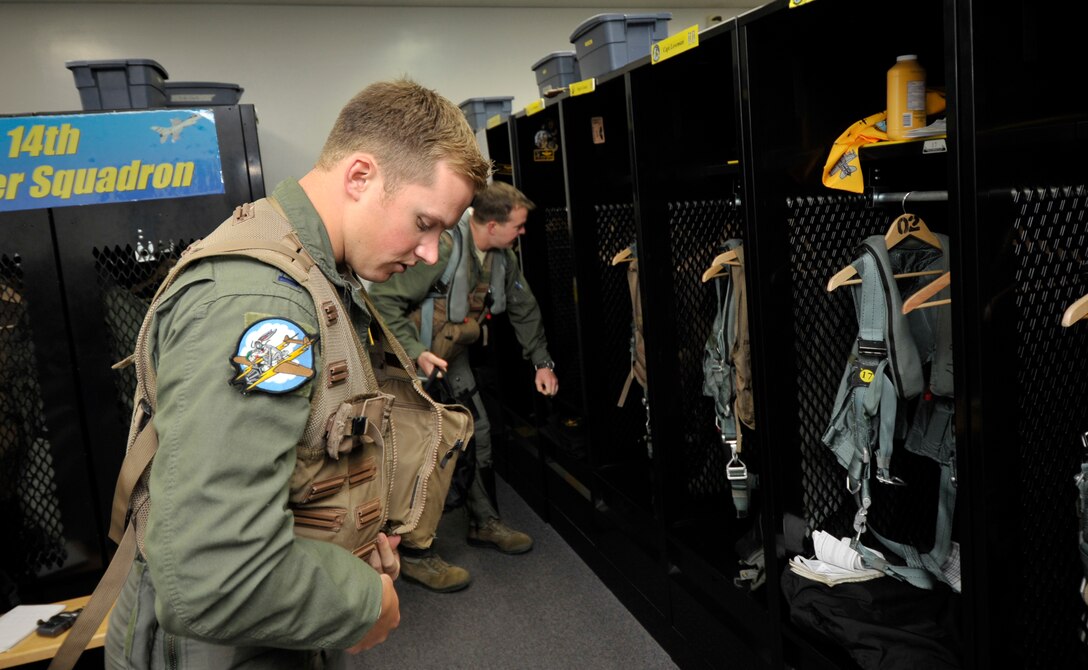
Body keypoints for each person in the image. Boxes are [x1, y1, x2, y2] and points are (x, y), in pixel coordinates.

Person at [103, 79, 491, 669]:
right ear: (360, 177)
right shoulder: (259, 305)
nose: (431, 253)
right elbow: (214, 572)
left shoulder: (315, 273)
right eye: (424, 222)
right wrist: (363, 602)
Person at [369, 181, 559, 593]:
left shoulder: (502, 259)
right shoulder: (443, 252)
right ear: (491, 225)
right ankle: (417, 552)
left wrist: (541, 362)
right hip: (408, 361)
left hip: (451, 358)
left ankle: (483, 522)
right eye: (518, 226)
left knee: (477, 434)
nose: (523, 233)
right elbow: (381, 299)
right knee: (422, 452)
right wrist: (416, 351)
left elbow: (525, 309)